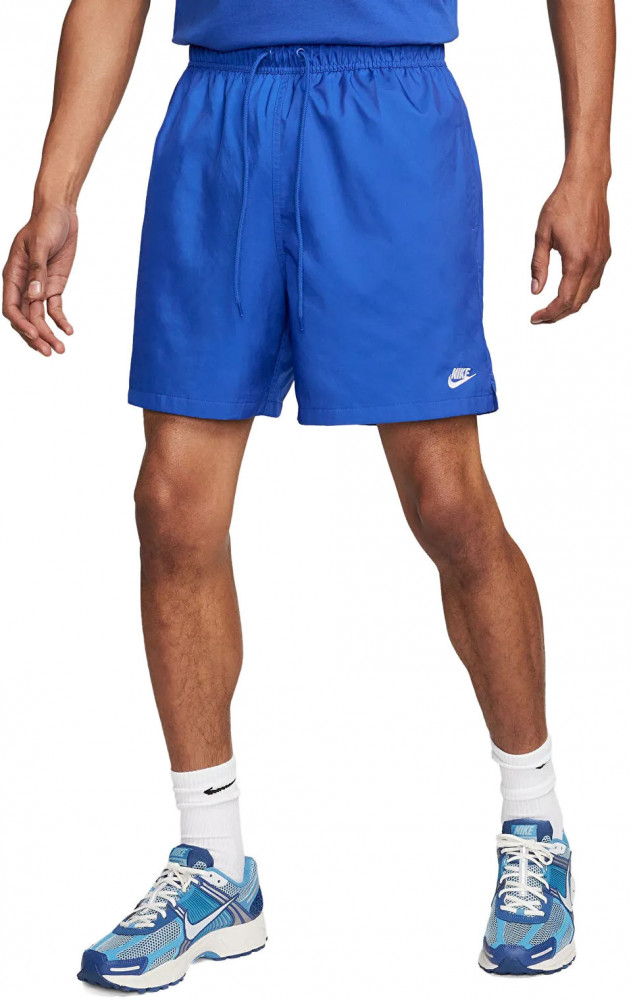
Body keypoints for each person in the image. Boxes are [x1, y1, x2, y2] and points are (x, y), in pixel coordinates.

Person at [2, 0, 615, 988]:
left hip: (388, 113)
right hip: (219, 118)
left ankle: (534, 824)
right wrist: (55, 190)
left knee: (448, 502)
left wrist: (587, 164)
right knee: (172, 506)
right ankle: (213, 863)